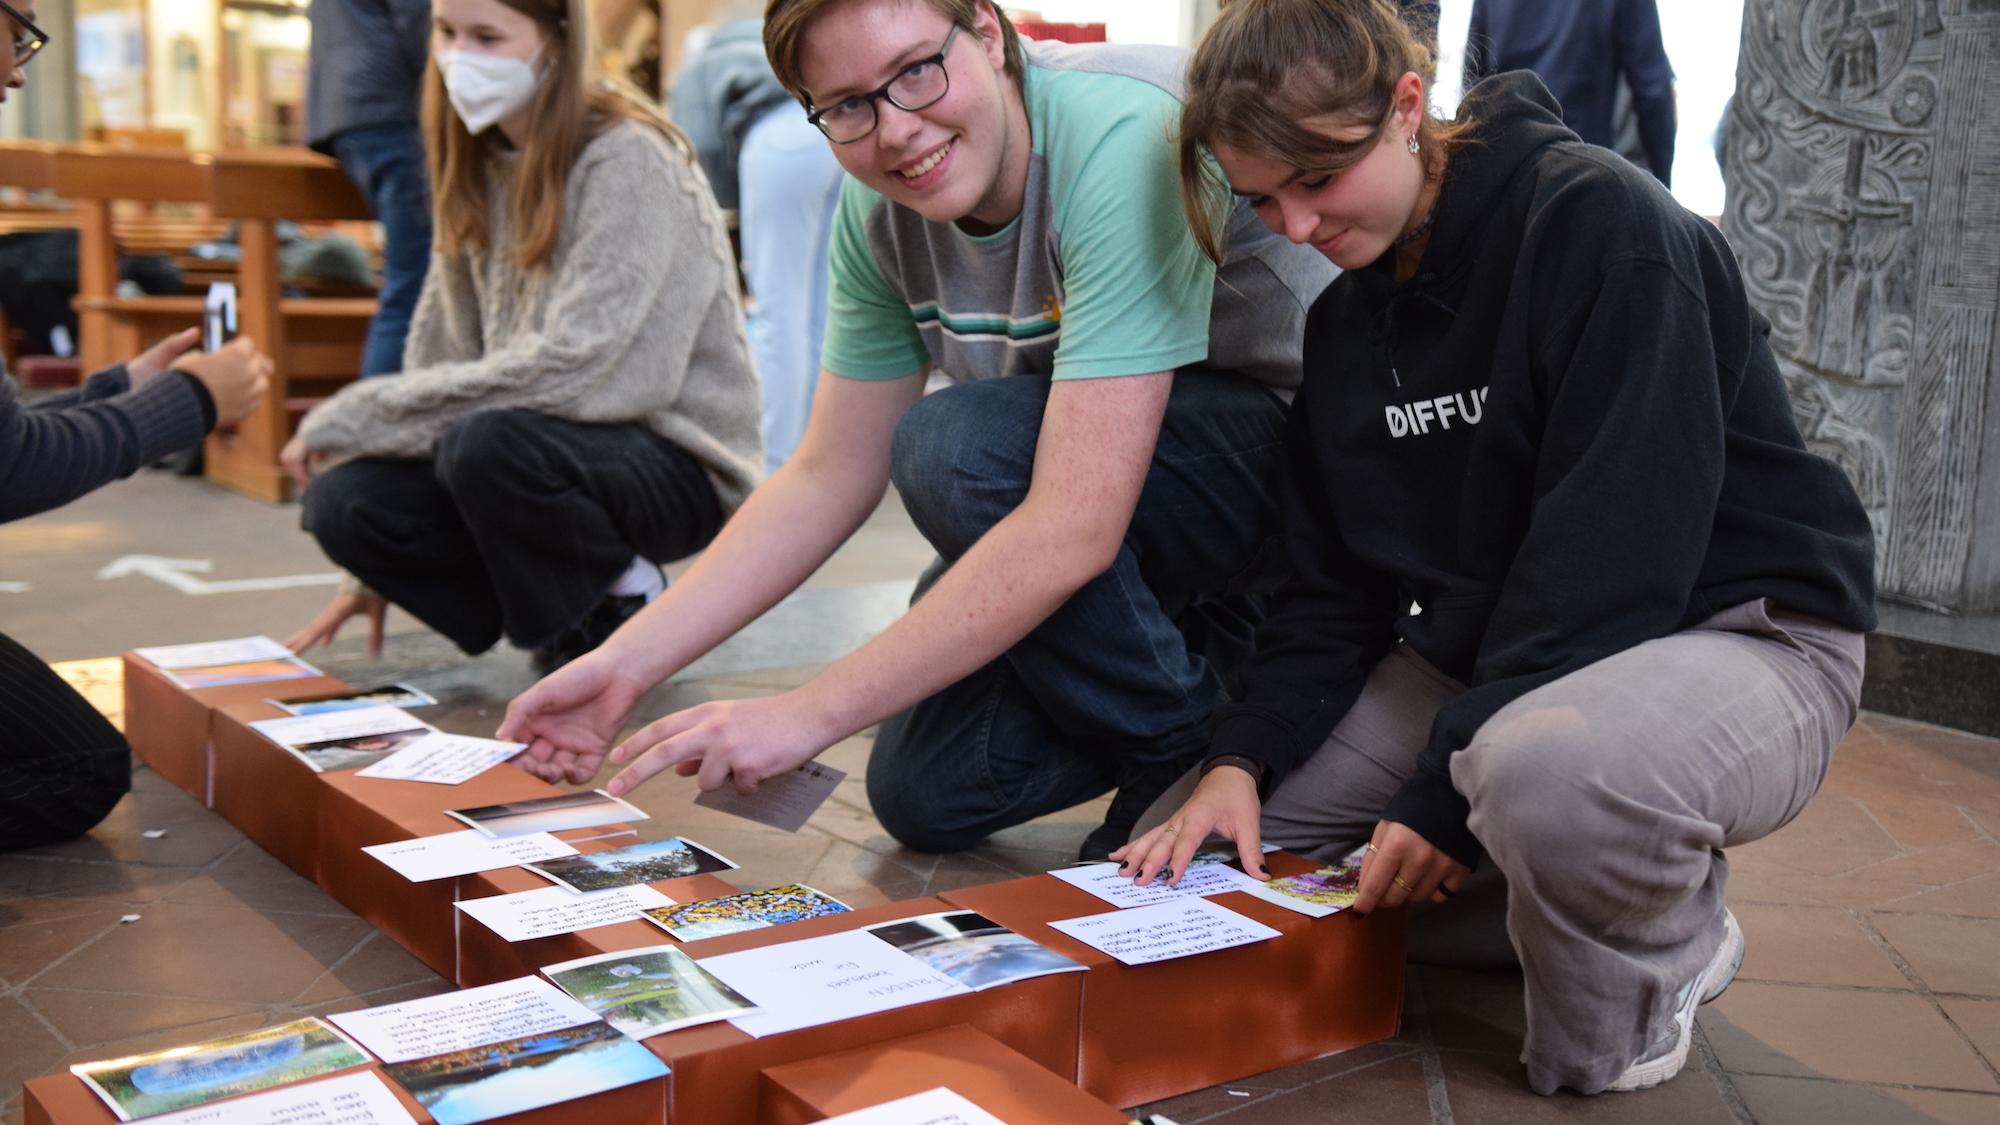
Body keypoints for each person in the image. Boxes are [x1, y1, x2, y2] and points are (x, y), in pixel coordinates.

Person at [1118, 0, 1875, 1098]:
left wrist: (1435, 801)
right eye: (1258, 198)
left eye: (1316, 182)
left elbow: (1613, 558)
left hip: (1732, 626)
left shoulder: (1604, 229)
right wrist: (1236, 761)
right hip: (1486, 652)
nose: (1290, 229)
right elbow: (1328, 596)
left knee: (1542, 778)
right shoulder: (1342, 327)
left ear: (1405, 108)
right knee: (1192, 866)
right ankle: (1563, 876)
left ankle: (1666, 934)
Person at [500, 0, 1333, 858]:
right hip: (1126, 496)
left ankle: (1187, 746)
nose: (895, 131)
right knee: (927, 787)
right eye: (849, 105)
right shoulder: (878, 218)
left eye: (914, 72)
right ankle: (1232, 667)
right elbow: (826, 475)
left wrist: (804, 713)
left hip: (1291, 481)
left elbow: (1072, 526)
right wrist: (627, 665)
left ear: (988, 34)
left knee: (955, 448)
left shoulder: (1120, 135)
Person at [282, 0, 761, 670]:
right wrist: (370, 573)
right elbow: (439, 353)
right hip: (545, 446)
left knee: (486, 442)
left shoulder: (627, 159)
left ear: (558, 40)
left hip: (673, 458)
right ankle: (567, 604)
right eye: (446, 34)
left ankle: (622, 595)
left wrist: (356, 415)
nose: (458, 58)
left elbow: (583, 371)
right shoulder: (477, 162)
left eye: (487, 37)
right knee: (346, 503)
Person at [670, 17, 844, 473]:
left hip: (778, 143)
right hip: (832, 124)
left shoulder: (693, 75)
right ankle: (818, 454)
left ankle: (773, 465)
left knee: (776, 315)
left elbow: (700, 159)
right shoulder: (746, 42)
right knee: (819, 315)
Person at [307, 0, 436, 377]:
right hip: (391, 107)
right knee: (414, 291)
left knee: (411, 285)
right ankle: (378, 427)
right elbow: (421, 21)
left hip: (350, 109)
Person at [1465, 0, 1676, 185]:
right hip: (1586, 179)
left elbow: (1473, 86)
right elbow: (1653, 91)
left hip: (1509, 179)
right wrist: (1662, 188)